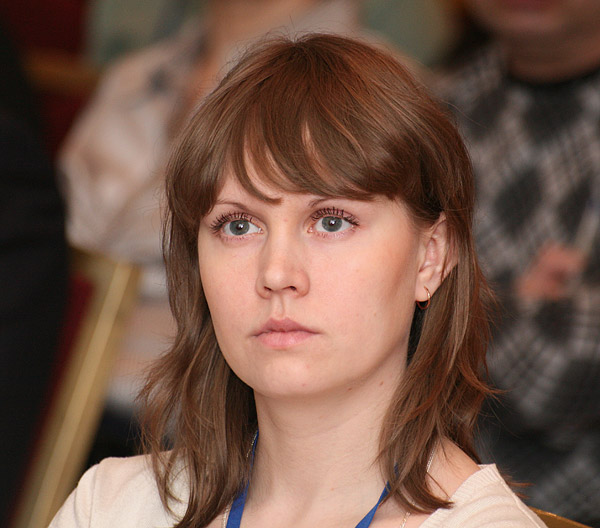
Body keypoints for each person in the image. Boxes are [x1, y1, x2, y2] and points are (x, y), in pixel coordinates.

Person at [50, 34, 546, 528]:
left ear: (430, 258)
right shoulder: (110, 506)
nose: (276, 274)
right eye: (238, 226)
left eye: (331, 221)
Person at [436, 1, 600, 524]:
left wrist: (447, 315)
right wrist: (525, 312)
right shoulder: (432, 110)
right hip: (425, 506)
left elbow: (562, 375)